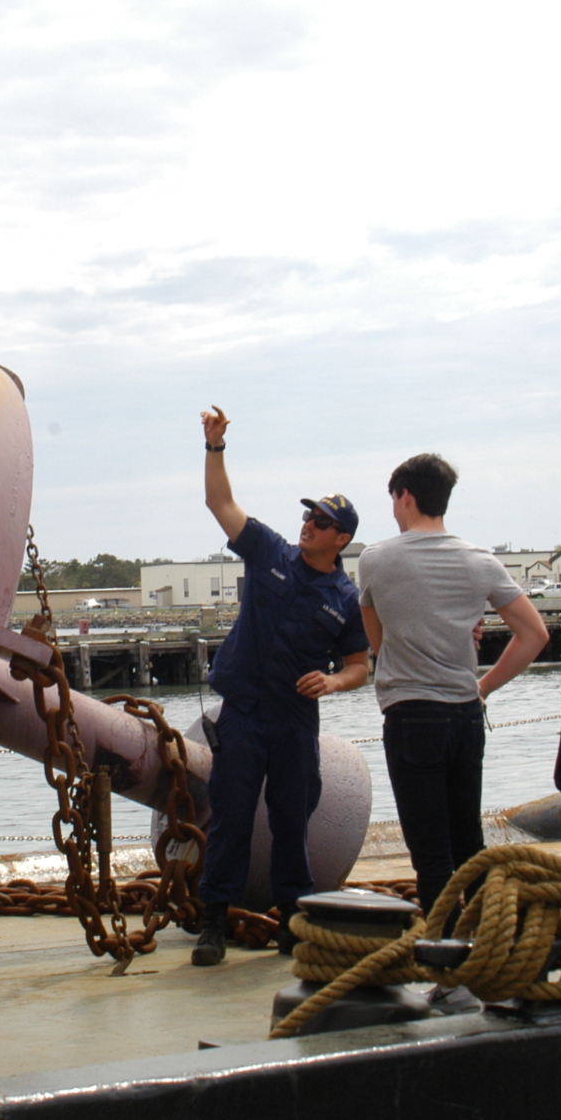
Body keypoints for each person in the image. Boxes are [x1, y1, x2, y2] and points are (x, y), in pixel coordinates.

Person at [193, 406, 373, 966]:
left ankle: (292, 924)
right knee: (231, 818)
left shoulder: (344, 598)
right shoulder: (271, 552)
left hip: (296, 723)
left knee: (293, 823)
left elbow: (361, 664)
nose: (308, 525)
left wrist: (335, 682)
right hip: (243, 716)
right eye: (308, 517)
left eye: (320, 522)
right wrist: (215, 448)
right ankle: (213, 925)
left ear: (340, 538)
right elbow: (220, 505)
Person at [357, 453, 549, 924]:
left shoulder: (375, 560)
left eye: (394, 500)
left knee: (430, 851)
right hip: (465, 715)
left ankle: (443, 951)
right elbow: (535, 635)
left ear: (406, 495)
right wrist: (482, 687)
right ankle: (488, 938)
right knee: (469, 842)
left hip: (411, 715)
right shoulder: (480, 560)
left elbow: (377, 642)